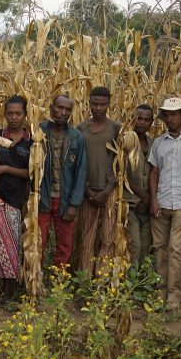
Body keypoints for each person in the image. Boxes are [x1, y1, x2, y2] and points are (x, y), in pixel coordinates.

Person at [148, 96, 181, 310]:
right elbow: (154, 172)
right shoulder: (159, 143)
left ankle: (174, 296)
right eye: (167, 115)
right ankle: (160, 292)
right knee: (160, 248)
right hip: (161, 202)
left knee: (177, 249)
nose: (170, 119)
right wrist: (153, 199)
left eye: (174, 114)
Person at [0, 95, 33, 301]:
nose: (14, 117)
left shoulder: (31, 141)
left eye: (18, 113)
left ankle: (8, 292)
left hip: (14, 200)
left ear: (25, 115)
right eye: (10, 113)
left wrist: (6, 168)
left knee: (11, 246)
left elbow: (32, 173)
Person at [73, 86, 121, 275]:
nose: (98, 108)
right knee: (87, 237)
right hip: (87, 190)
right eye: (95, 104)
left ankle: (102, 281)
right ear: (89, 103)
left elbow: (120, 163)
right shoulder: (81, 129)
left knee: (108, 237)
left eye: (102, 104)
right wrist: (88, 191)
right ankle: (84, 280)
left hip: (109, 190)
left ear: (109, 104)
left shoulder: (116, 128)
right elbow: (76, 162)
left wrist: (107, 190)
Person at [37, 94, 87, 267]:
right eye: (59, 108)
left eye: (67, 110)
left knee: (64, 244)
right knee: (38, 241)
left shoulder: (76, 137)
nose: (63, 112)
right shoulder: (39, 132)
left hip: (64, 199)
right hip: (41, 197)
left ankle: (59, 282)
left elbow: (81, 171)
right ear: (51, 108)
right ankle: (35, 280)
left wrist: (74, 203)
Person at [124, 104, 154, 266]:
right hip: (130, 204)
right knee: (134, 245)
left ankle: (140, 283)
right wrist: (145, 197)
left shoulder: (153, 143)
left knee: (145, 246)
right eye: (139, 119)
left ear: (151, 122)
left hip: (147, 206)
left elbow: (156, 173)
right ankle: (130, 281)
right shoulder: (126, 141)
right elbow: (122, 175)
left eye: (146, 120)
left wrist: (148, 200)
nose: (142, 123)